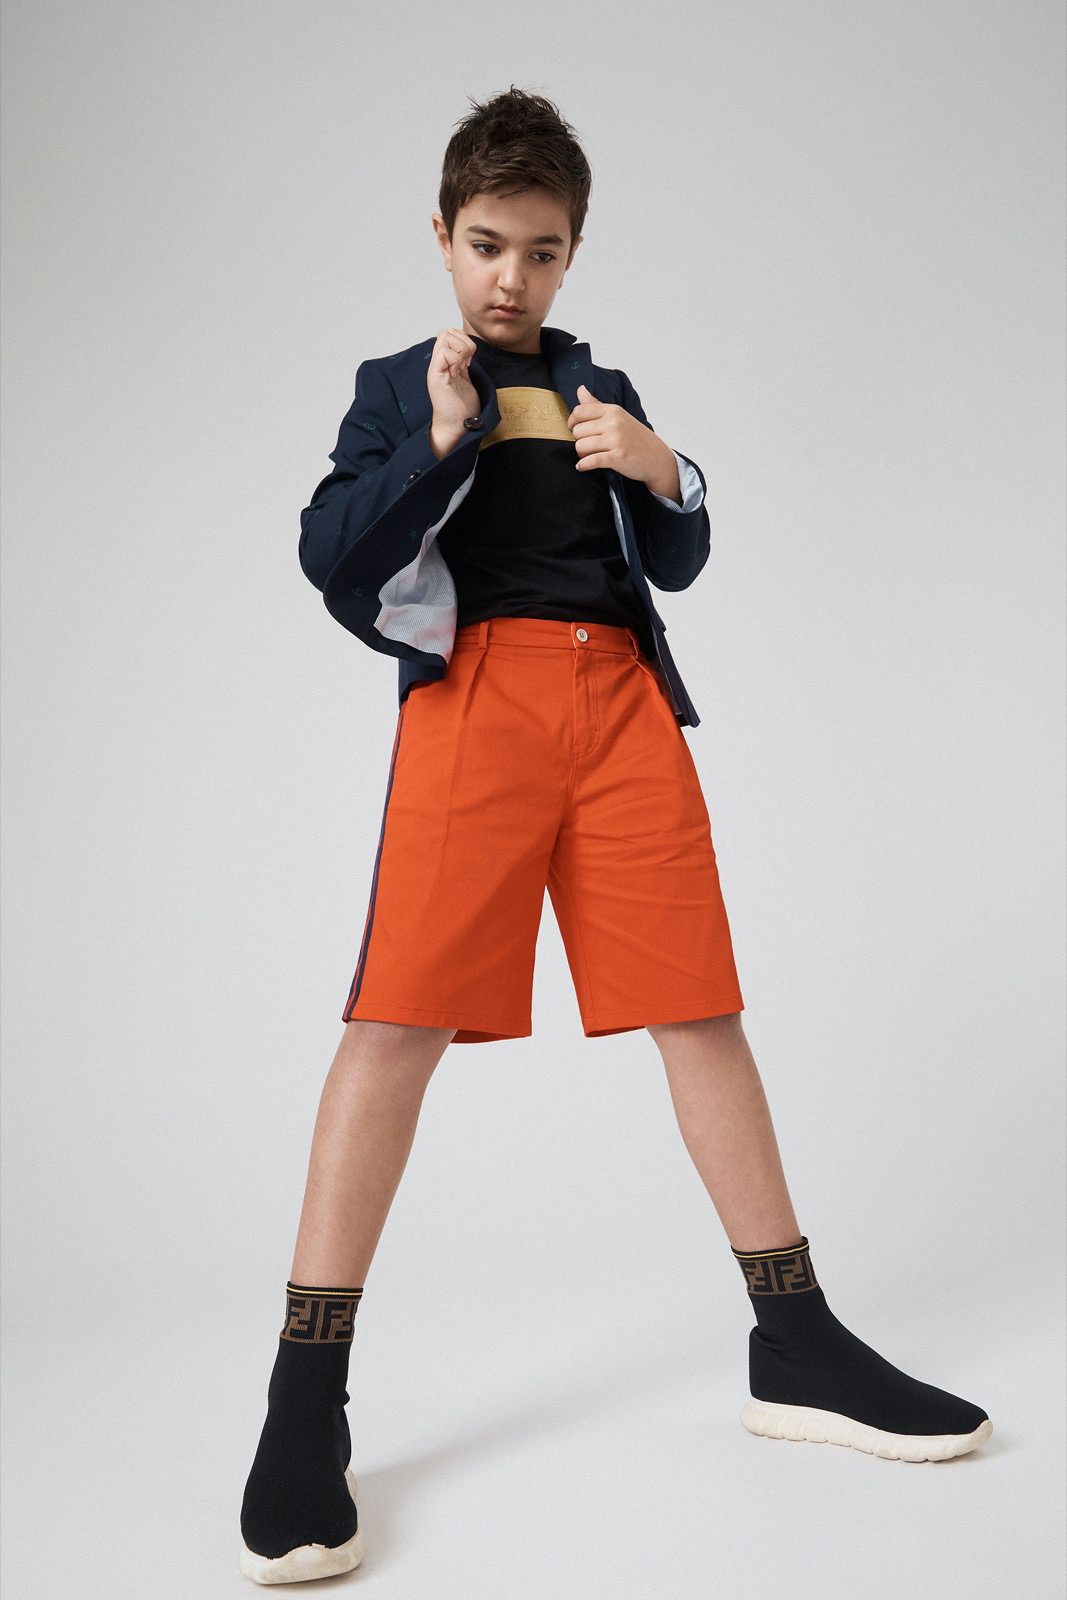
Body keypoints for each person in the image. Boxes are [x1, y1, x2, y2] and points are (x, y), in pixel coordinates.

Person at [238, 86, 992, 1586]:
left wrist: (666, 469)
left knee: (697, 1005)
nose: (510, 277)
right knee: (395, 1020)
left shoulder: (601, 382)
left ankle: (795, 1341)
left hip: (623, 706)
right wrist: (437, 441)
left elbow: (679, 557)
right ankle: (304, 1400)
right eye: (486, 244)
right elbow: (331, 558)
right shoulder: (397, 388)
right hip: (477, 703)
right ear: (442, 237)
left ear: (572, 254)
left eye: (541, 250)